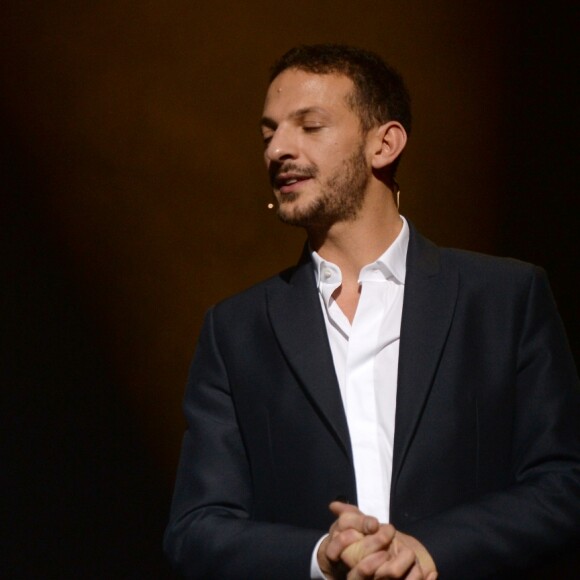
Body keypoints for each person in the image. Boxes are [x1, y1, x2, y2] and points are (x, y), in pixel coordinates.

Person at [164, 44, 580, 579]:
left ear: (384, 144)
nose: (277, 150)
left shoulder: (504, 298)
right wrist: (319, 556)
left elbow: (564, 482)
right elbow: (196, 526)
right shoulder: (236, 330)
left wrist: (432, 550)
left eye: (309, 126)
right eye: (269, 134)